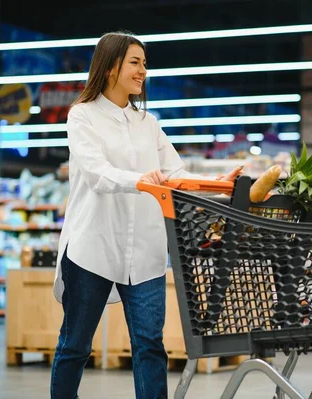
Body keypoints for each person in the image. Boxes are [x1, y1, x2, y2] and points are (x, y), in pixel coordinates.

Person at [50, 31, 243, 399]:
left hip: (146, 251)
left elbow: (175, 173)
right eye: (135, 63)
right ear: (110, 67)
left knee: (150, 346)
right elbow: (96, 173)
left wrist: (217, 183)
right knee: (75, 344)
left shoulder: (148, 123)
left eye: (144, 63)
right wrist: (141, 181)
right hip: (93, 248)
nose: (143, 71)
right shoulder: (82, 116)